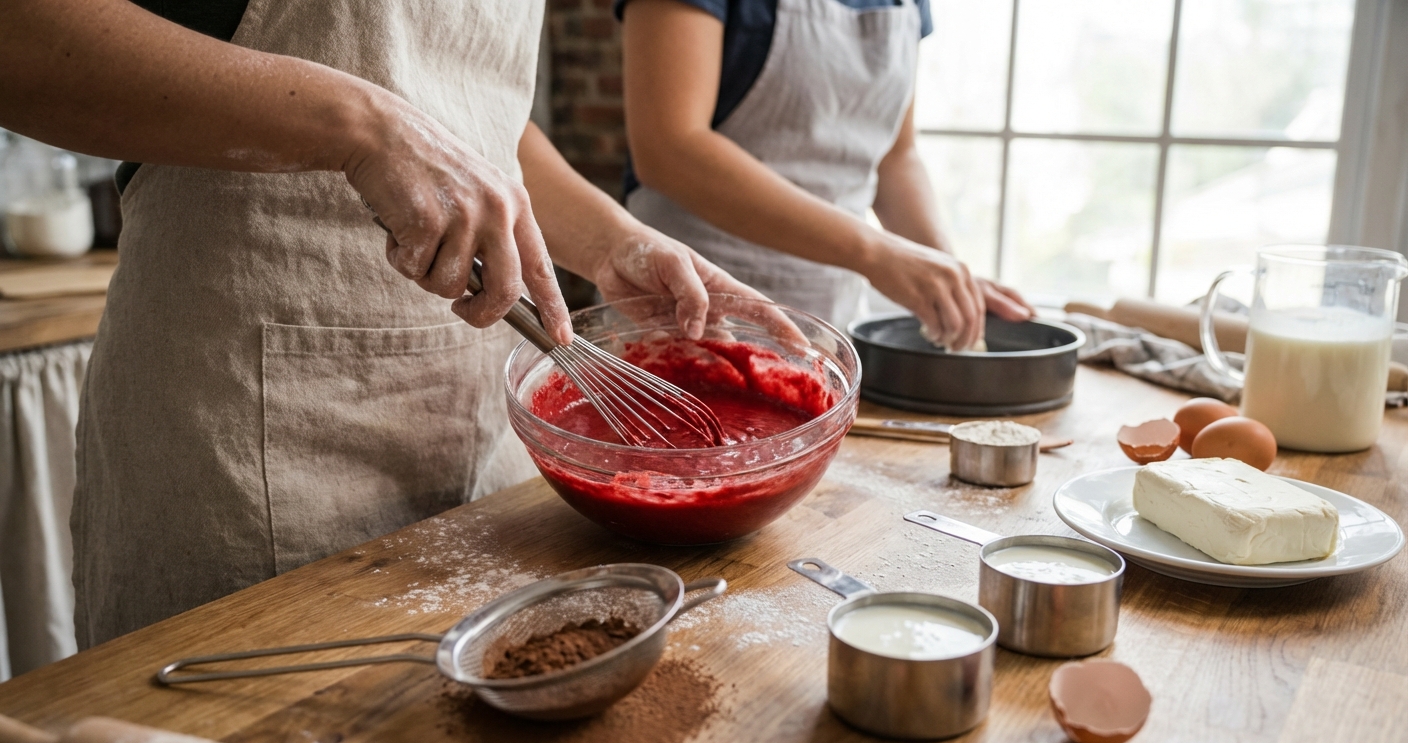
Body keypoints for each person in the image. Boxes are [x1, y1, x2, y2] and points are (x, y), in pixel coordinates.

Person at [0, 0, 763, 647]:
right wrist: (362, 127)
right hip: (251, 432)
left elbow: (470, 111)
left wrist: (608, 240)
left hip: (483, 438)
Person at [618, 0, 1033, 350]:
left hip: (834, 324)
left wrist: (945, 276)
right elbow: (669, 146)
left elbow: (895, 158)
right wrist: (876, 253)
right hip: (689, 314)